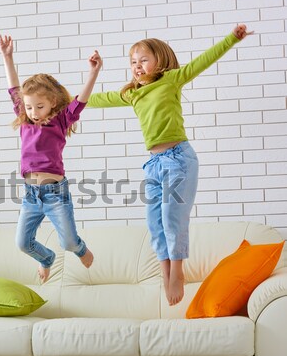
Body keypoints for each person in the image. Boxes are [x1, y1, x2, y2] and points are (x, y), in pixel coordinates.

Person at [87, 24, 253, 306]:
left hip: (178, 159)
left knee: (171, 218)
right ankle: (166, 272)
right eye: (133, 62)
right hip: (153, 164)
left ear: (159, 60)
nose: (137, 66)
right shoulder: (132, 94)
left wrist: (232, 38)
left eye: (143, 60)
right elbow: (96, 100)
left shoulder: (172, 80)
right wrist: (61, 100)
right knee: (154, 223)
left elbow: (204, 60)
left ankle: (178, 270)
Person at [0, 34, 103, 283]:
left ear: (52, 103)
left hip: (56, 193)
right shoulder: (24, 118)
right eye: (30, 107)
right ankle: (46, 259)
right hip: (30, 195)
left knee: (67, 241)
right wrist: (7, 56)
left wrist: (93, 73)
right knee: (22, 243)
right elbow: (14, 88)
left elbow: (81, 101)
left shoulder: (61, 120)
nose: (34, 112)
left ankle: (80, 249)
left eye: (40, 106)